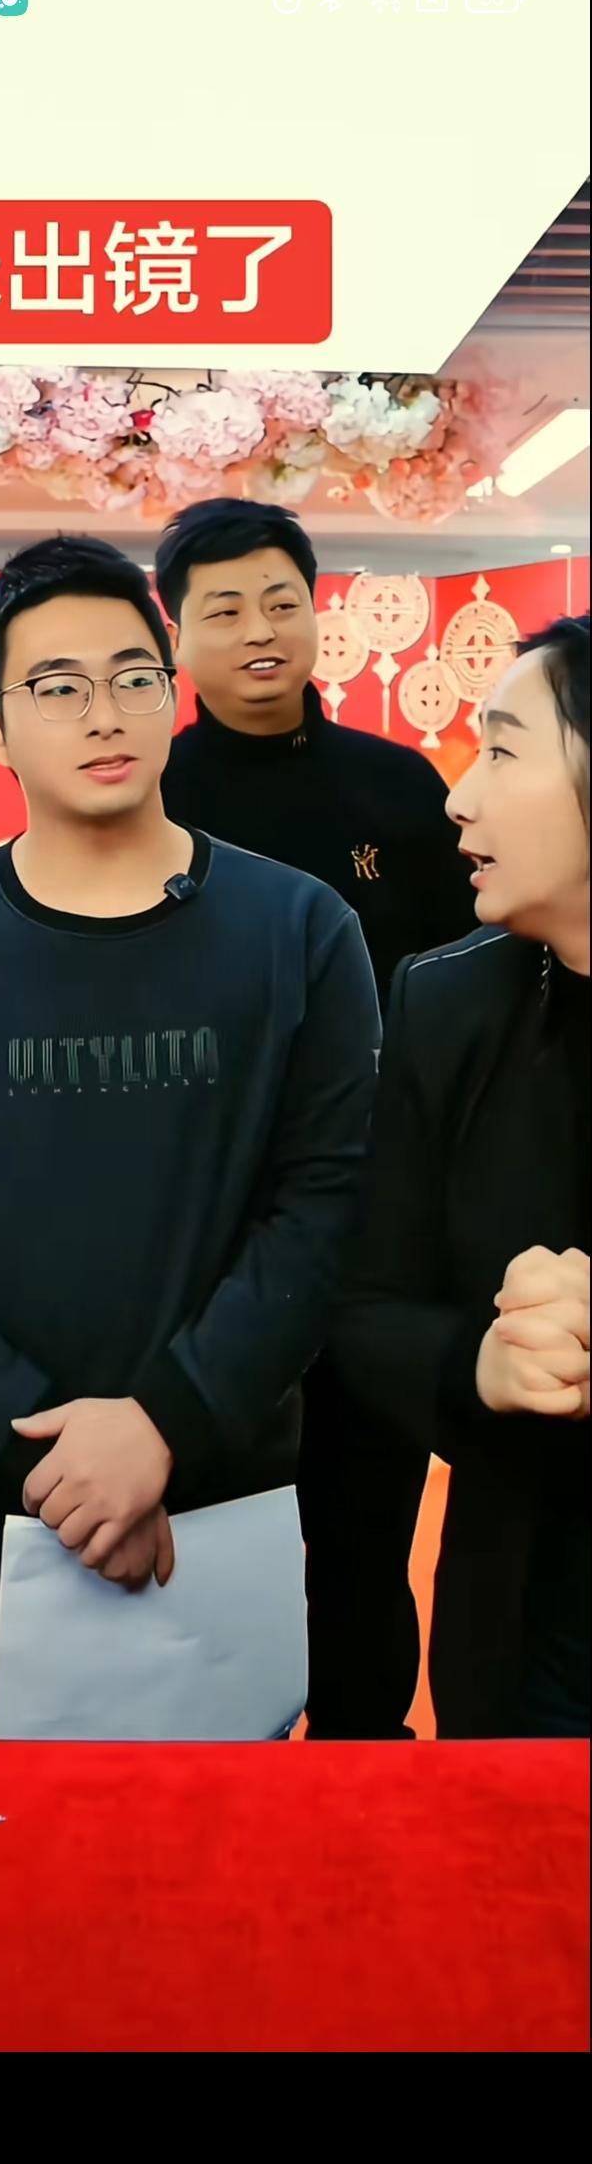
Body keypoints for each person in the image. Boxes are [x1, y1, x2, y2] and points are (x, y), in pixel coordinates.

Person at [0, 534, 381, 1738]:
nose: (103, 714)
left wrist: (165, 1426)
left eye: (133, 677)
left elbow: (325, 1207)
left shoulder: (300, 931)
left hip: (218, 1503)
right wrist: (52, 1467)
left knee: (212, 1854)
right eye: (57, 687)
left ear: (171, 695)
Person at [157, 498, 476, 1739]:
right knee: (207, 1531)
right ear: (177, 635)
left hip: (373, 1232)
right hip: (203, 1237)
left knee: (362, 1535)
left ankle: (363, 1764)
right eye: (225, 609)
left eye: (281, 602)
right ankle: (213, 1776)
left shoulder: (397, 790)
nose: (259, 631)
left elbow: (470, 995)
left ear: (315, 611)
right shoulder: (151, 793)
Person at [334, 615, 590, 1738]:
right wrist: (476, 1362)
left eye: (503, 750)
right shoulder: (448, 1004)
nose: (459, 800)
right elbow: (365, 1304)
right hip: (525, 1619)